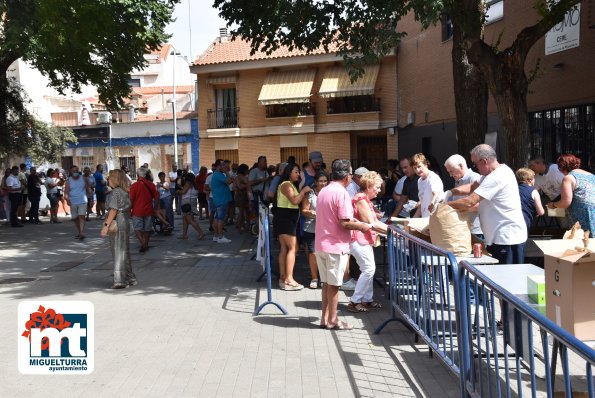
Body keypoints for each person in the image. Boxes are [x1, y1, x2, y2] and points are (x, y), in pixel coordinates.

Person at [315, 159, 372, 330]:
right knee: (333, 286)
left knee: (326, 284)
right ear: (348, 176)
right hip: (335, 245)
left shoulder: (324, 191)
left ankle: (325, 318)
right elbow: (344, 223)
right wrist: (362, 226)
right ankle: (332, 320)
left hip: (322, 244)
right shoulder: (341, 193)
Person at [447, 144, 527, 264]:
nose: (475, 168)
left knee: (507, 279)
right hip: (498, 238)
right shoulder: (490, 174)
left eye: (475, 164)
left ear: (484, 161)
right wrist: (450, 192)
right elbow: (472, 186)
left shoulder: (496, 177)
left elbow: (470, 201)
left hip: (507, 239)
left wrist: (445, 205)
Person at [348, 171, 388, 313]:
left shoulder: (364, 200)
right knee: (369, 269)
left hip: (363, 240)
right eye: (377, 187)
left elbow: (375, 222)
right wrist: (394, 232)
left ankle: (367, 299)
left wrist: (392, 231)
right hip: (358, 239)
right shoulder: (360, 199)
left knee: (368, 269)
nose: (379, 190)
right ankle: (355, 301)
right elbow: (372, 223)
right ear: (369, 185)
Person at [274, 163, 311, 290]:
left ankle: (283, 278)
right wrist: (304, 191)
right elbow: (295, 200)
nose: (298, 174)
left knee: (285, 248)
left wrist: (302, 184)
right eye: (296, 171)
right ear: (289, 172)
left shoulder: (290, 184)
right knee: (293, 248)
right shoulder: (286, 185)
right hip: (286, 220)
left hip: (286, 219)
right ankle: (289, 279)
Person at [100, 169, 137, 289]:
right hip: (125, 221)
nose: (108, 180)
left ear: (115, 179)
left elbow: (113, 210)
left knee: (118, 251)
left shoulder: (115, 192)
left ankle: (120, 280)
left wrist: (105, 226)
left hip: (117, 221)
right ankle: (129, 277)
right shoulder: (124, 191)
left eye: (109, 178)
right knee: (124, 250)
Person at [547, 154, 595, 233]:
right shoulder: (592, 176)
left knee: (583, 241)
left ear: (561, 167)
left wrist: (553, 205)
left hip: (583, 213)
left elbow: (565, 203)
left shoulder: (569, 178)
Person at [444, 154, 483, 238]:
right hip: (463, 229)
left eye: (451, 171)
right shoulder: (458, 180)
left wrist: (450, 206)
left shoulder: (474, 178)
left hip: (475, 231)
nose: (450, 175)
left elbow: (477, 206)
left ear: (461, 166)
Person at [301, 171, 328, 289]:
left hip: (327, 229)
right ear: (315, 182)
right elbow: (304, 210)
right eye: (320, 181)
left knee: (325, 253)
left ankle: (324, 278)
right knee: (313, 253)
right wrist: (311, 213)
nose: (323, 183)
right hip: (311, 227)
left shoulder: (330, 193)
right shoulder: (310, 193)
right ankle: (314, 278)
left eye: (325, 181)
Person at [130, 167, 159, 252]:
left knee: (137, 228)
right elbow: (157, 198)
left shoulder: (134, 186)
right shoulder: (151, 185)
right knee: (147, 228)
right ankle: (145, 243)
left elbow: (131, 199)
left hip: (137, 210)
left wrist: (129, 210)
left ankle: (142, 242)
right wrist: (155, 208)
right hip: (148, 210)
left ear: (137, 175)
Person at [411, 153, 444, 217]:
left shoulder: (433, 177)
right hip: (425, 218)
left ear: (426, 164)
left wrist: (432, 202)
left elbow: (436, 194)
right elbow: (422, 203)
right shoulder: (419, 180)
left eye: (419, 166)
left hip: (435, 218)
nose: (417, 170)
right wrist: (412, 221)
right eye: (414, 168)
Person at [64, 165, 90, 239]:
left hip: (83, 201)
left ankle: (82, 233)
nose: (75, 172)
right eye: (73, 171)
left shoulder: (84, 179)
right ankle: (79, 231)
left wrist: (90, 197)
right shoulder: (68, 181)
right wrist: (67, 199)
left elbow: (88, 188)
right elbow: (66, 192)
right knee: (75, 218)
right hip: (73, 201)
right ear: (71, 172)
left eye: (76, 170)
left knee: (81, 216)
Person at [211, 159, 233, 243]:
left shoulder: (217, 174)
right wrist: (227, 172)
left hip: (219, 199)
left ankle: (216, 236)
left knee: (217, 218)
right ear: (218, 166)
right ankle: (220, 237)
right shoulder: (218, 174)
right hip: (221, 200)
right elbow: (229, 181)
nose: (225, 166)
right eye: (223, 164)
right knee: (221, 219)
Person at [177, 172, 205, 240]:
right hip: (193, 201)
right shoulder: (194, 184)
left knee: (189, 219)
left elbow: (183, 192)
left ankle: (200, 232)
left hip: (187, 202)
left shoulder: (187, 183)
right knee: (185, 219)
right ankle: (184, 235)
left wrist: (178, 191)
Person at [516, 168, 545, 232]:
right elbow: (541, 212)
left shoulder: (513, 189)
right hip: (524, 221)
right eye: (534, 178)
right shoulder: (534, 191)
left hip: (511, 220)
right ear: (530, 180)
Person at [233, 164, 251, 231]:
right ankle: (240, 225)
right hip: (242, 196)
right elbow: (240, 186)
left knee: (243, 211)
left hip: (239, 195)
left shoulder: (237, 177)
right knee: (243, 212)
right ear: (244, 170)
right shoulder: (241, 177)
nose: (247, 171)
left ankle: (241, 225)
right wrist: (247, 185)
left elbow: (234, 187)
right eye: (247, 169)